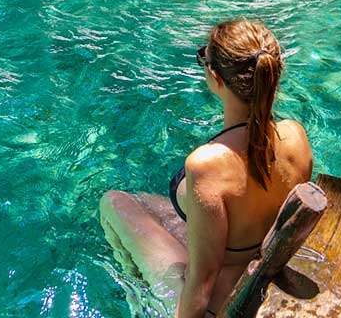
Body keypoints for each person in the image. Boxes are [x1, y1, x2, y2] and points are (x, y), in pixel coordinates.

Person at [99, 19, 313, 318]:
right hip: (254, 268)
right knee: (144, 204)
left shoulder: (207, 164)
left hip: (221, 303)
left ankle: (139, 302)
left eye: (204, 57)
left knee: (113, 202)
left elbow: (202, 282)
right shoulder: (295, 135)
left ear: (215, 75)